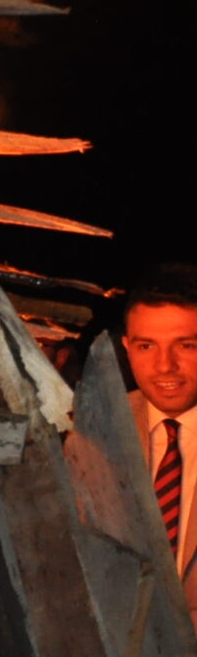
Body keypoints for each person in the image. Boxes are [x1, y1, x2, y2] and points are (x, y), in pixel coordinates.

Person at [122, 265, 197, 618]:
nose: (165, 366)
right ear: (127, 347)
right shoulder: (92, 433)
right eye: (146, 346)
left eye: (187, 345)